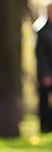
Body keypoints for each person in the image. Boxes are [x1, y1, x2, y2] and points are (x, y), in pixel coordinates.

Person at [36, 2, 52, 133]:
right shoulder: (42, 32)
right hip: (47, 74)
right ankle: (45, 127)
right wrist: (45, 74)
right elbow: (41, 55)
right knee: (44, 101)